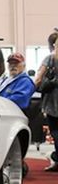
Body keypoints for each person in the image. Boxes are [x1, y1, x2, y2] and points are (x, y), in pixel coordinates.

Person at [36, 32, 58, 171]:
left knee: (56, 132)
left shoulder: (49, 59)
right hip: (52, 103)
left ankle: (56, 158)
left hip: (52, 102)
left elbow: (38, 79)